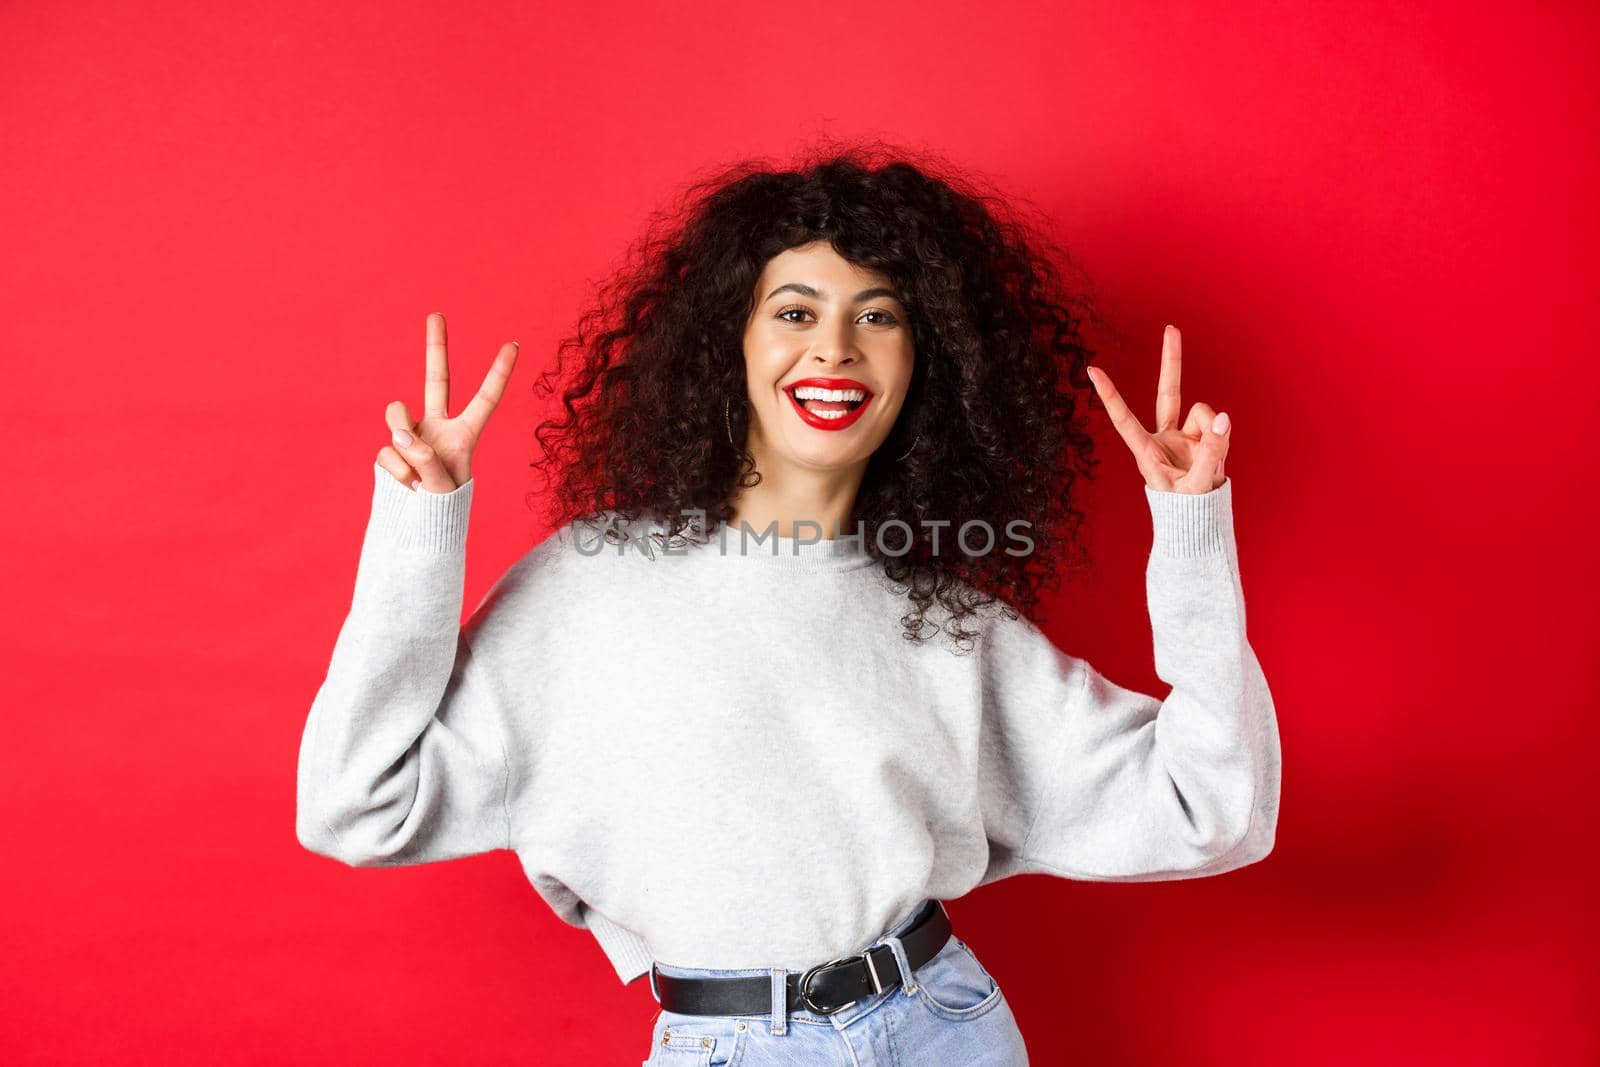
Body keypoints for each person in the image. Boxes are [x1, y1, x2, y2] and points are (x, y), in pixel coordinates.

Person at [295, 148, 1281, 1066]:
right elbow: (355, 803)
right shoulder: (586, 586)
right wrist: (421, 527)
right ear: (730, 341)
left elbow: (1212, 810)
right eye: (796, 312)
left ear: (923, 361)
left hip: (945, 1027)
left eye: (879, 314)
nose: (837, 348)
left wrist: (1189, 529)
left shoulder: (945, 618)